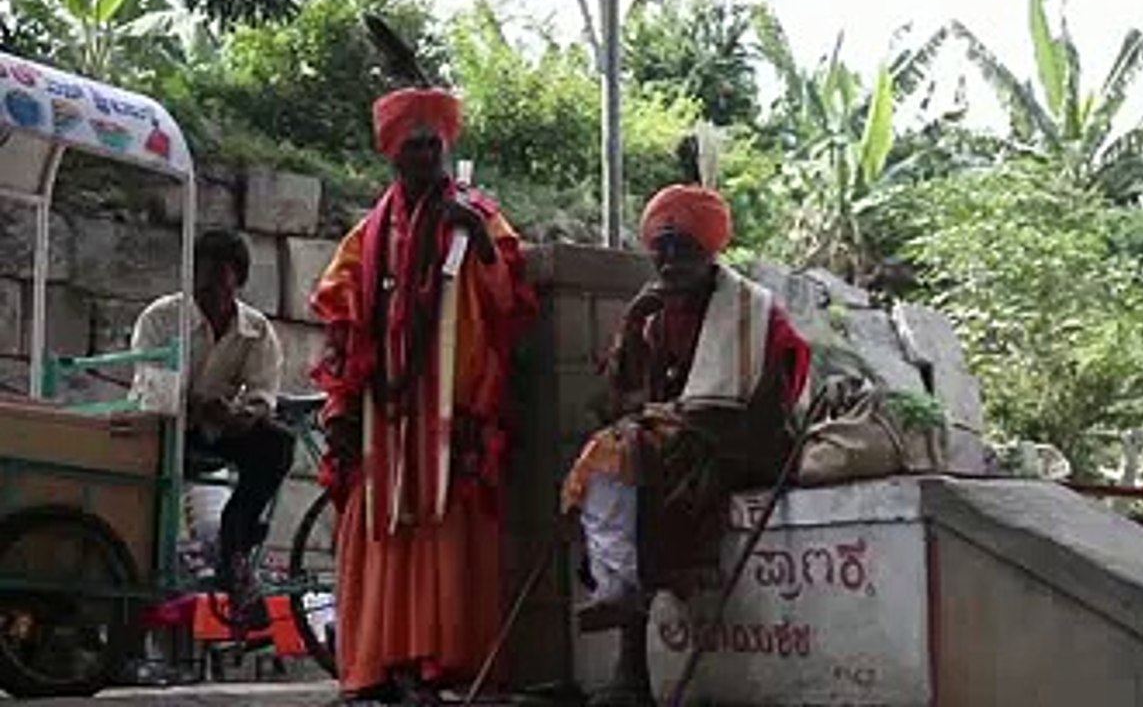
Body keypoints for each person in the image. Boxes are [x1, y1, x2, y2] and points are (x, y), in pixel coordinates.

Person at [309, 86, 537, 704]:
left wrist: (478, 241)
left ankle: (446, 663)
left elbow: (509, 301)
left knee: (449, 528)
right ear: (394, 155)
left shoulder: (480, 216)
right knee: (381, 526)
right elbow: (340, 318)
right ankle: (384, 663)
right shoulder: (367, 234)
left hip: (453, 411)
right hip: (384, 411)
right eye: (413, 145)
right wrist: (341, 406)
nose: (426, 155)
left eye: (434, 144)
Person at [560, 184, 811, 706]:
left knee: (645, 462)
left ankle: (630, 656)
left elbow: (769, 403)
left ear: (710, 252)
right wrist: (630, 327)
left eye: (685, 249)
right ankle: (620, 604)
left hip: (741, 443)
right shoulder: (651, 314)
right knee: (613, 457)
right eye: (663, 250)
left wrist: (680, 423)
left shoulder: (757, 312)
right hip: (666, 441)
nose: (672, 262)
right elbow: (611, 404)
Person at [130, 229, 292, 617]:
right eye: (204, 282)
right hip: (163, 427)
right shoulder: (161, 318)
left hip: (219, 431)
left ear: (237, 280)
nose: (213, 293)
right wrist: (200, 404)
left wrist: (245, 415)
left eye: (222, 281)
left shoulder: (256, 330)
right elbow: (153, 387)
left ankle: (234, 549)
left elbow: (262, 392)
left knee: (277, 443)